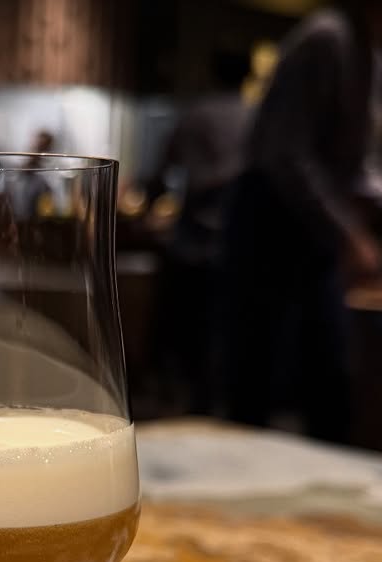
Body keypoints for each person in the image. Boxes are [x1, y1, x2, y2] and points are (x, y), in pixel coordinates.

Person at [219, 0, 382, 443]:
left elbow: (360, 168)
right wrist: (348, 231)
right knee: (255, 379)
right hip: (269, 221)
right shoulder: (327, 37)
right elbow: (286, 156)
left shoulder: (377, 56)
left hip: (313, 228)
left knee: (329, 379)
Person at [153, 54, 251, 414]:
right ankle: (213, 405)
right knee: (224, 334)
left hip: (190, 243)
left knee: (184, 330)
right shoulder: (253, 116)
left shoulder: (195, 114)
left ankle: (185, 401)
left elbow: (165, 165)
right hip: (235, 244)